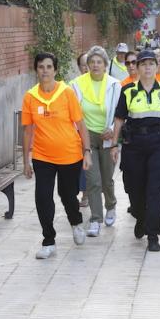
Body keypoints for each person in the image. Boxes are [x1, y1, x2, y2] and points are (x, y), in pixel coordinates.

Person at [22, 52, 93, 259]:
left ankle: (76, 222)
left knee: (67, 194)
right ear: (36, 70)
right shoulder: (30, 97)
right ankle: (48, 241)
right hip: (42, 156)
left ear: (55, 70)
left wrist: (87, 151)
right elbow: (27, 130)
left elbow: (80, 124)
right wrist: (26, 161)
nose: (45, 71)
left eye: (49, 67)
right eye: (41, 67)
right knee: (42, 197)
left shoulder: (66, 93)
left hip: (69, 155)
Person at [111, 50, 160, 252]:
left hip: (159, 143)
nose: (148, 67)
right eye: (143, 64)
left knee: (155, 190)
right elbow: (119, 119)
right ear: (137, 67)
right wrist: (114, 145)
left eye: (151, 63)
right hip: (134, 144)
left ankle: (153, 235)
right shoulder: (128, 91)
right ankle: (140, 217)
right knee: (134, 189)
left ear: (157, 67)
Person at [70, 46, 122, 236]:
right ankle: (96, 219)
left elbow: (121, 113)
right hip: (87, 136)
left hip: (108, 136)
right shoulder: (76, 84)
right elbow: (72, 112)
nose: (95, 65)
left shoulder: (115, 85)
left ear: (106, 65)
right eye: (92, 62)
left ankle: (111, 205)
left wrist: (113, 130)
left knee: (107, 179)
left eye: (99, 62)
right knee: (93, 180)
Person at [75, 53, 89, 207]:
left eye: (88, 64)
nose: (86, 68)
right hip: (78, 130)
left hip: (95, 130)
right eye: (83, 65)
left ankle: (87, 194)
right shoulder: (75, 85)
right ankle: (83, 193)